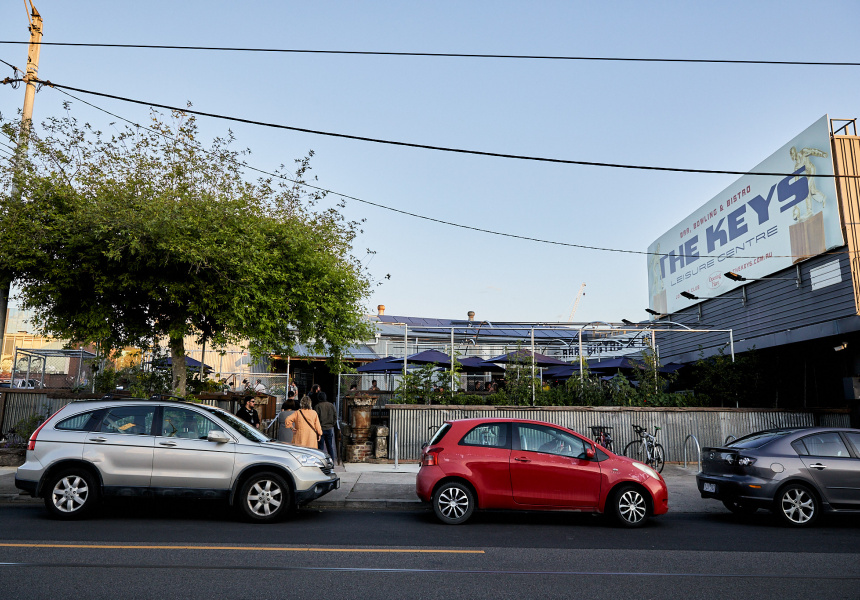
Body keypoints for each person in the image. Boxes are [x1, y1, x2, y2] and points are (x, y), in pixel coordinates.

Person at [314, 393, 337, 461]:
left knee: (320, 447)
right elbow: (335, 416)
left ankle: (321, 461)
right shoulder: (331, 405)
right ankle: (331, 460)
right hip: (329, 428)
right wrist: (332, 424)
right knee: (329, 446)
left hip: (321, 428)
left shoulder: (317, 406)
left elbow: (315, 418)